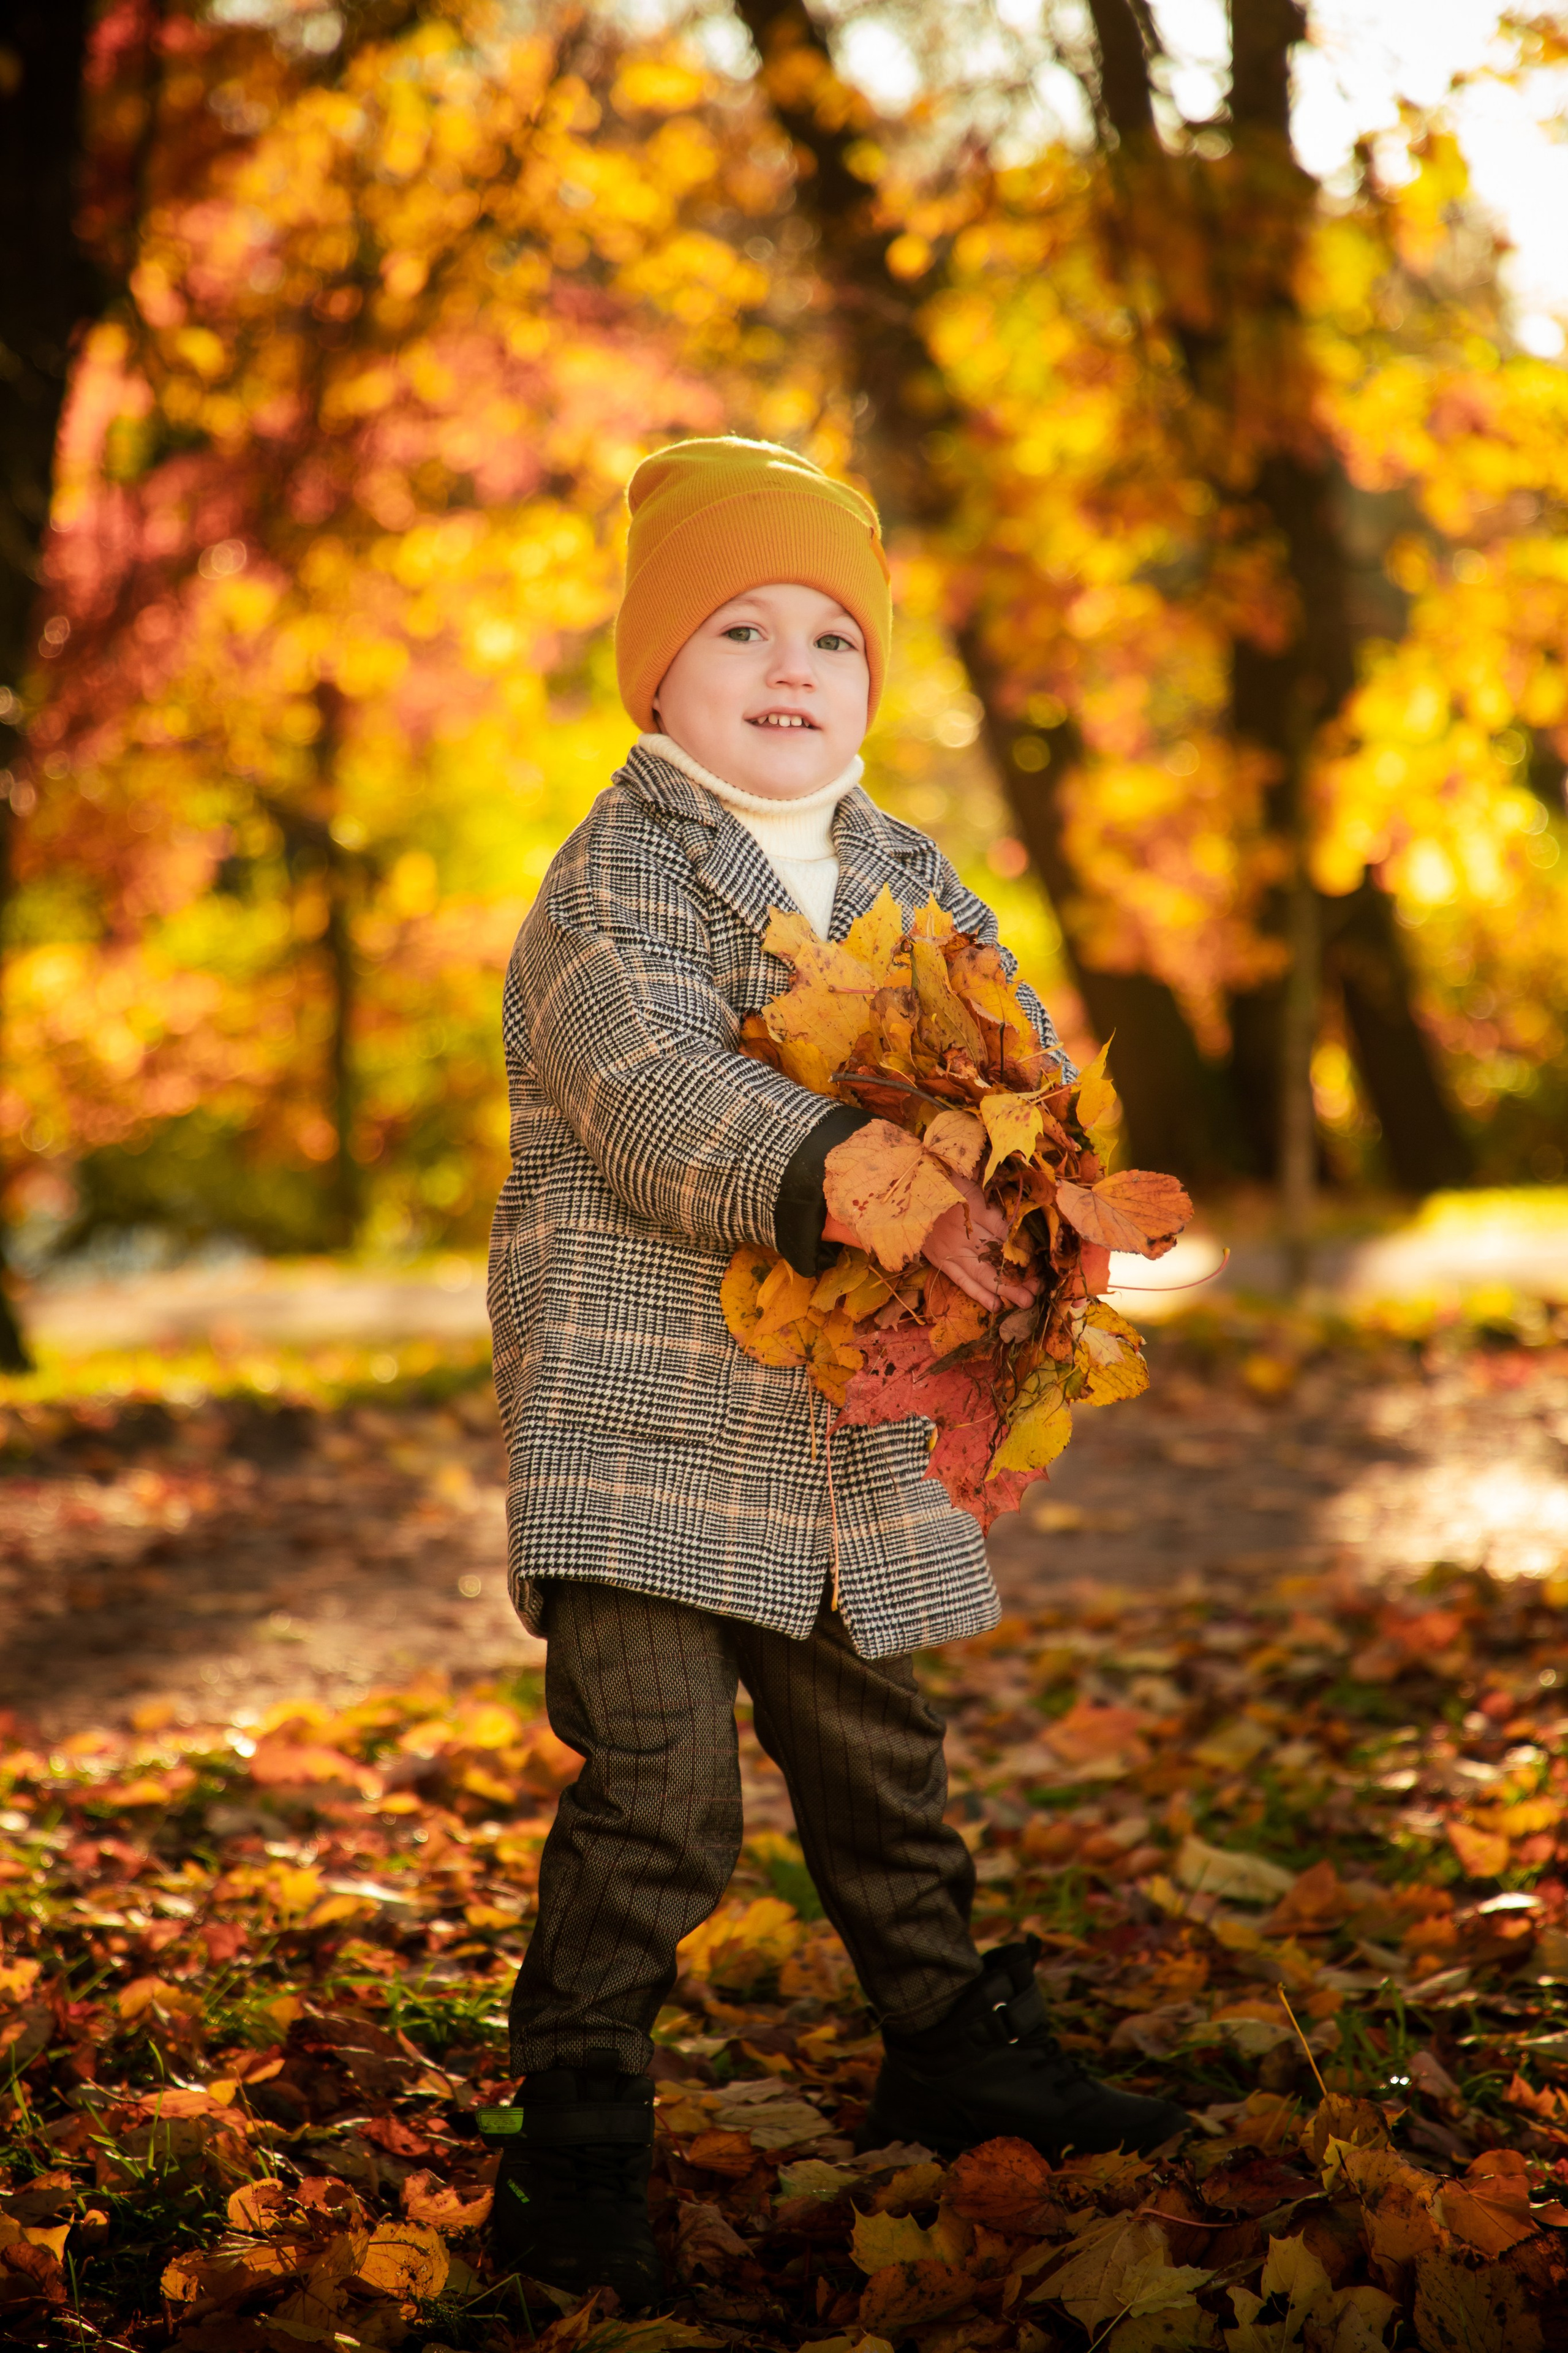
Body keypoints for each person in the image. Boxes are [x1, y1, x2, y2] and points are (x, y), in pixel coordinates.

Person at [481, 437, 1187, 2305]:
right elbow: (651, 1089)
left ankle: (950, 2046)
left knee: (885, 1754)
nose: (792, 667)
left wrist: (1035, 1190)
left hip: (848, 1412)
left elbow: (1013, 1034)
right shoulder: (611, 883)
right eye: (739, 627)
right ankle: (573, 2145)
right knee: (657, 1796)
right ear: (656, 669)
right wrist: (856, 1176)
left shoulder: (904, 865)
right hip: (643, 1419)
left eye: (832, 637)